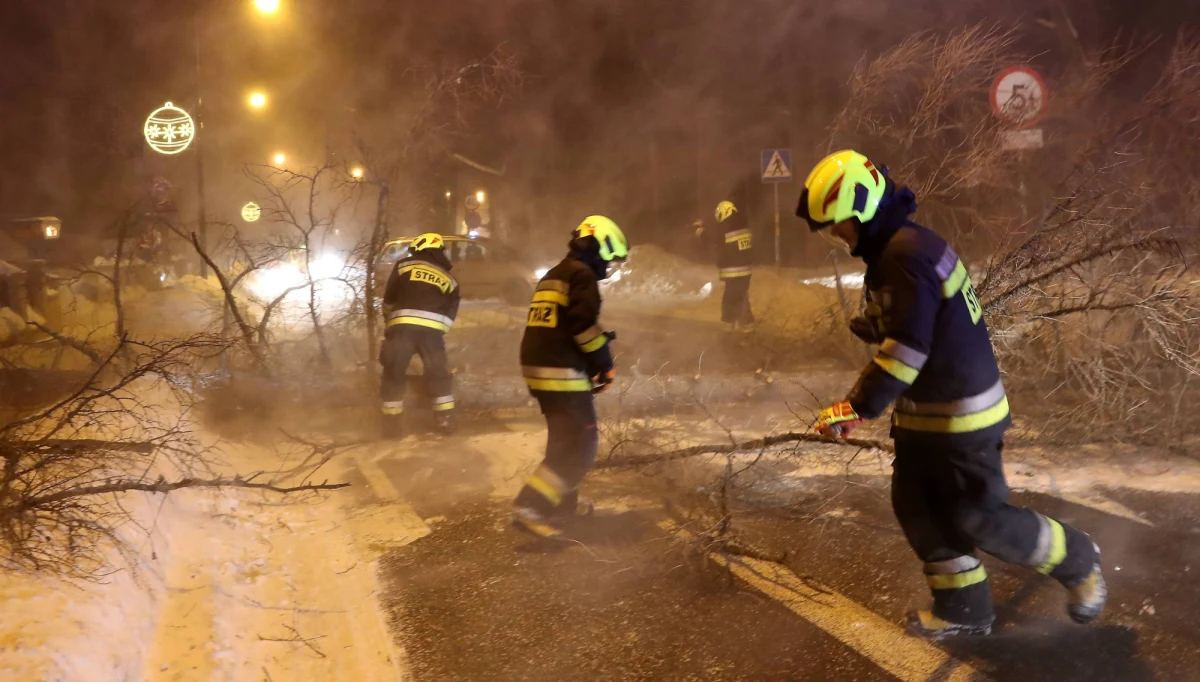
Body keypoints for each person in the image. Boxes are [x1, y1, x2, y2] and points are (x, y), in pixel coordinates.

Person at [798, 150, 1106, 639]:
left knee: (978, 518)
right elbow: (924, 319)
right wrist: (877, 323)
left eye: (840, 225)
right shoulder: (903, 247)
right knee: (919, 508)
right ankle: (964, 608)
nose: (839, 236)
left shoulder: (903, 256)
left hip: (962, 418)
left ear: (864, 207)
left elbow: (907, 350)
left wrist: (855, 407)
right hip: (928, 415)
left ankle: (1078, 558)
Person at [512, 215, 629, 539]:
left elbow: (560, 326)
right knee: (582, 445)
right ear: (600, 246)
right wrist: (604, 364)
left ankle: (561, 506)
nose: (609, 266)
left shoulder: (555, 273)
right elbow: (583, 329)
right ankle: (531, 505)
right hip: (560, 371)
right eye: (610, 258)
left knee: (563, 442)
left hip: (539, 367)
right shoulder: (582, 276)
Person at [379, 233, 461, 439]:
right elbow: (451, 311)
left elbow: (389, 299)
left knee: (394, 372)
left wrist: (389, 323)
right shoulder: (450, 278)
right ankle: (445, 420)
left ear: (419, 247)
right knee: (438, 373)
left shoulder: (403, 266)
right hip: (431, 333)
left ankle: (391, 425)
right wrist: (439, 330)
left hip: (402, 329)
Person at [714, 200, 754, 331]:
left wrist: (699, 232)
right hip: (746, 270)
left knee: (730, 297)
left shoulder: (726, 228)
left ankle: (729, 323)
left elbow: (713, 242)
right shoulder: (744, 226)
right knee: (742, 295)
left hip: (732, 271)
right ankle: (747, 323)